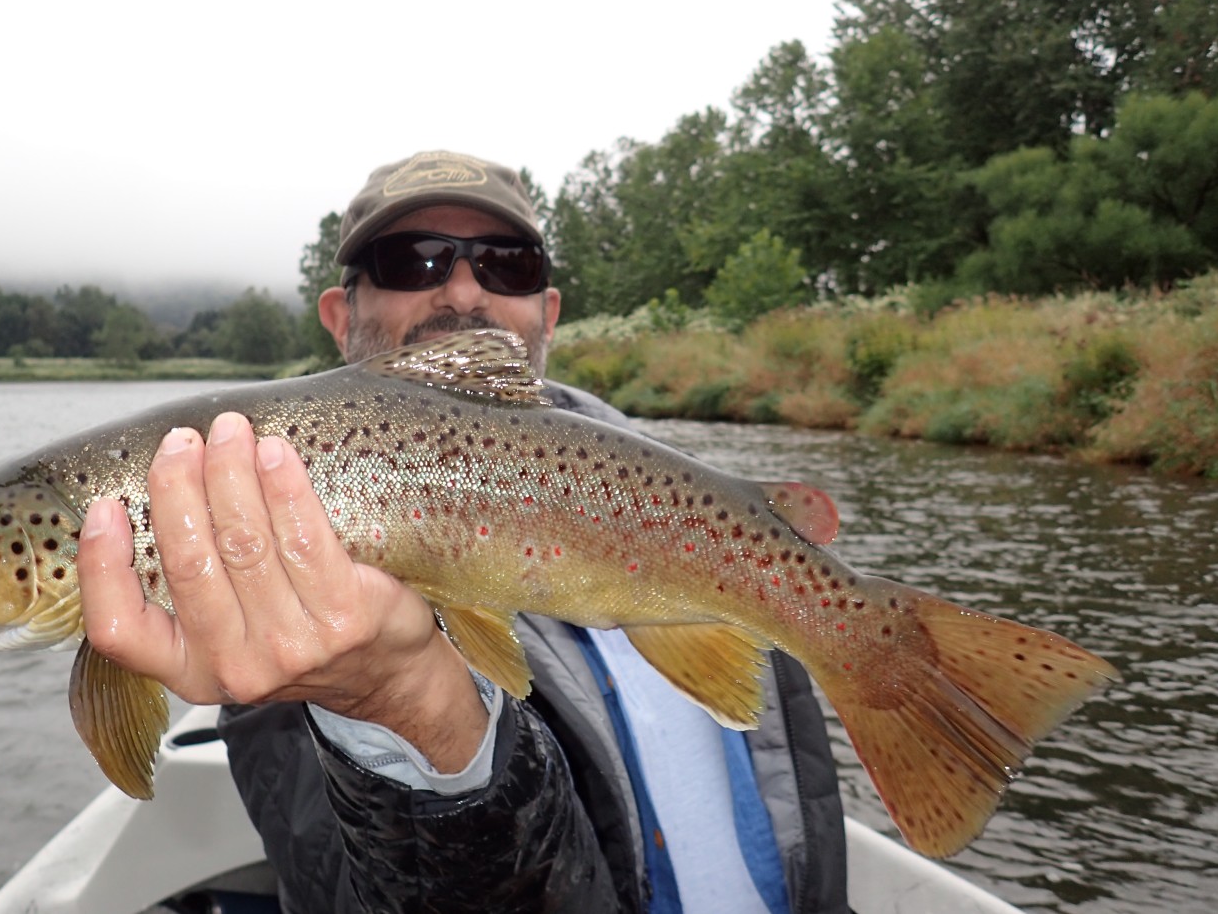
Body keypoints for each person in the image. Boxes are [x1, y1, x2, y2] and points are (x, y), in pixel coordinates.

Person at [78, 150, 848, 913]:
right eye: (412, 260)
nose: (462, 289)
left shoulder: (694, 502)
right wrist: (403, 706)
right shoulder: (281, 628)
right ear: (340, 318)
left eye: (506, 263)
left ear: (546, 311)